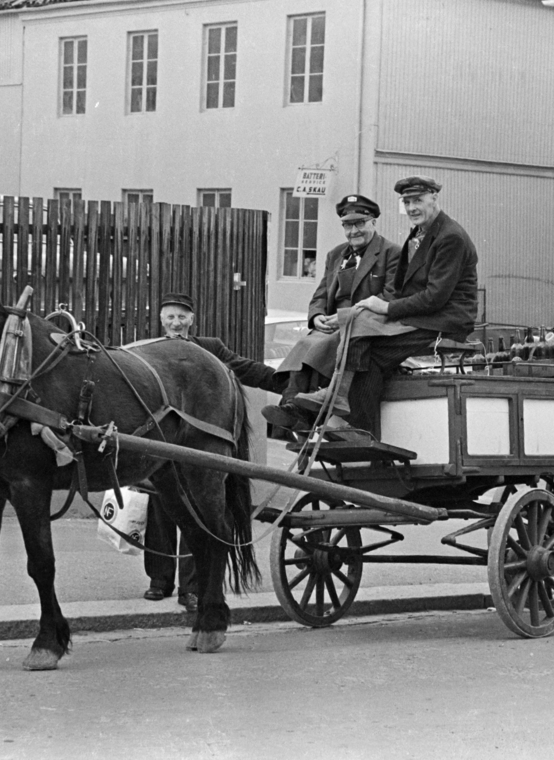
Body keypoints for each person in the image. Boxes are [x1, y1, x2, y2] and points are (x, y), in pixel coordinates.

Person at [294, 176, 478, 438]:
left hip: (444, 320)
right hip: (424, 316)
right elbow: (411, 289)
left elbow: (436, 297)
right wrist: (370, 309)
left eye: (418, 201)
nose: (412, 208)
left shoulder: (450, 237)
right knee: (360, 322)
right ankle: (339, 406)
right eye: (407, 202)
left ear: (434, 199)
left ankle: (351, 416)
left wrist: (386, 308)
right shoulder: (421, 233)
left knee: (370, 350)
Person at [144, 292, 285, 610]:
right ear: (161, 320)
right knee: (158, 510)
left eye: (182, 317)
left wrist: (290, 383)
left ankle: (190, 589)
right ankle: (159, 580)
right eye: (170, 317)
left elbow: (245, 369)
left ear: (191, 319)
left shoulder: (210, 349)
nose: (176, 323)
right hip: (161, 442)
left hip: (200, 442)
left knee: (197, 510)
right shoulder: (150, 353)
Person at [262, 194, 401, 433]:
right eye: (348, 225)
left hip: (363, 327)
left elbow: (390, 296)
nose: (353, 231)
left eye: (360, 224)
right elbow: (321, 294)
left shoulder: (392, 253)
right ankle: (291, 406)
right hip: (332, 325)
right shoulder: (336, 255)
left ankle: (302, 413)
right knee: (306, 343)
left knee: (319, 348)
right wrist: (316, 316)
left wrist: (346, 316)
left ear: (373, 222)